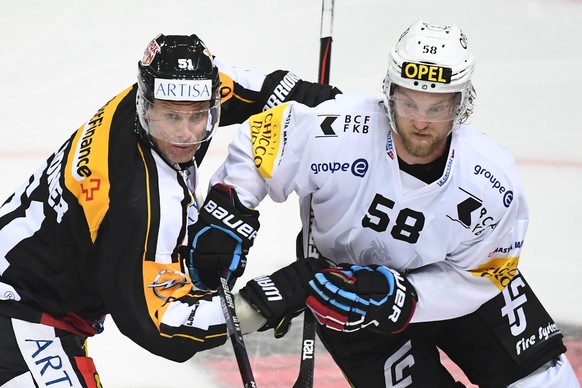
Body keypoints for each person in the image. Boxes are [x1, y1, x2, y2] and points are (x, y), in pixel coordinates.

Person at [205, 20, 580, 387]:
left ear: (461, 105)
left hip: (453, 285)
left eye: (437, 108)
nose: (420, 121)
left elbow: (485, 274)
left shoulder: (491, 180)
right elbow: (262, 141)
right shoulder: (340, 129)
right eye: (408, 103)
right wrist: (229, 210)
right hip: (347, 294)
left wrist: (409, 297)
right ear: (389, 92)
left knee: (545, 379)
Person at [0, 33, 340, 387]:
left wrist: (321, 104)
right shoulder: (137, 200)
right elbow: (163, 327)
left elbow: (234, 85)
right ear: (146, 107)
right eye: (170, 117)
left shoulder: (158, 94)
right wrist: (268, 299)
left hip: (29, 295)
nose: (185, 134)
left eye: (198, 117)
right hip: (22, 319)